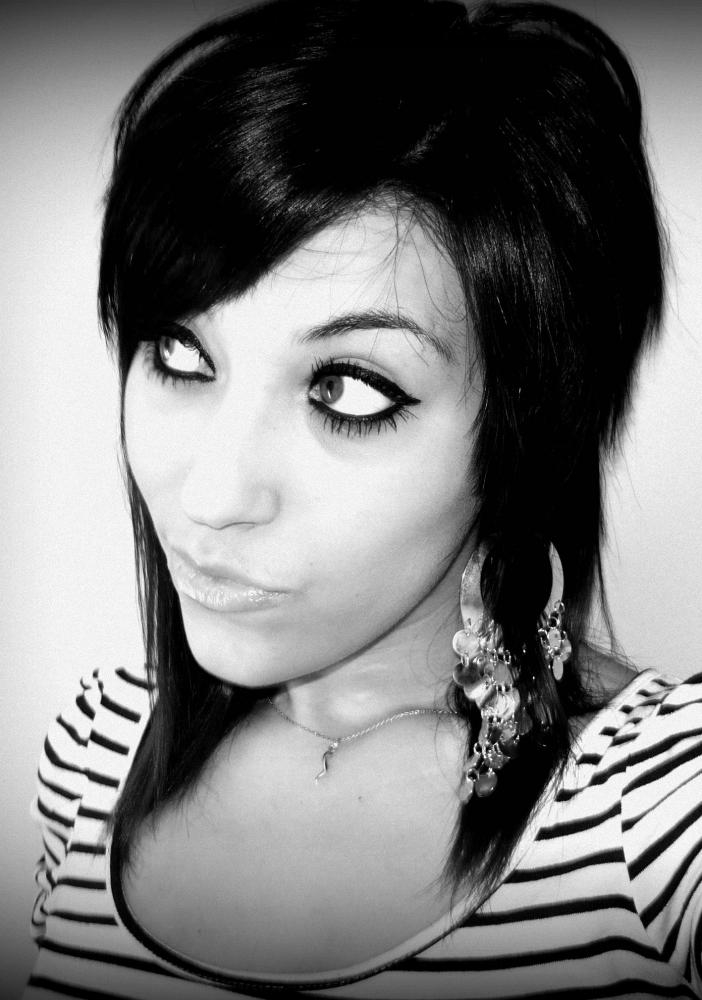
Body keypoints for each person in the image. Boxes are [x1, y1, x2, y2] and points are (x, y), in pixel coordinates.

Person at [22, 0, 702, 997]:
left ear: (521, 439)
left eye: (347, 390)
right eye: (180, 354)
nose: (212, 494)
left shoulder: (662, 807)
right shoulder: (94, 748)